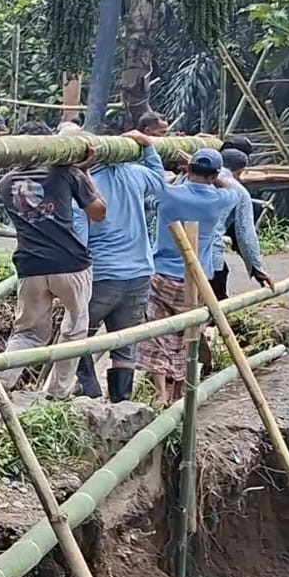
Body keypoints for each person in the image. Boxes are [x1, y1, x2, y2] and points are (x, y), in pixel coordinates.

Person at [0, 152, 107, 397]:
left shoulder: (5, 183)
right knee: (75, 327)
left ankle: (1, 381)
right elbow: (99, 212)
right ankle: (58, 391)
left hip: (30, 265)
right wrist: (84, 173)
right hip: (70, 263)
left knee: (27, 332)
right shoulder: (66, 173)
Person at [138, 148, 239, 404]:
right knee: (186, 337)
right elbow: (233, 186)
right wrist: (215, 177)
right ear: (214, 173)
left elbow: (153, 186)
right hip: (196, 279)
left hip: (161, 275)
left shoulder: (168, 195)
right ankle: (179, 392)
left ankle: (160, 392)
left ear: (189, 168)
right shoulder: (219, 200)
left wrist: (152, 151)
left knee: (156, 334)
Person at [75, 130, 166, 401]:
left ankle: (89, 390)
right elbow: (160, 182)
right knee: (125, 342)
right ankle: (121, 401)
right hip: (140, 272)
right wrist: (148, 146)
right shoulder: (134, 174)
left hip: (102, 275)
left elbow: (80, 237)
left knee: (78, 334)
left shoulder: (84, 188)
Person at [210, 141, 272, 299]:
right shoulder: (238, 190)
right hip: (209, 253)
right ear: (240, 170)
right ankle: (216, 319)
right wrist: (258, 269)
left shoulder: (189, 177)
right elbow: (245, 233)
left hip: (170, 251)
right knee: (215, 295)